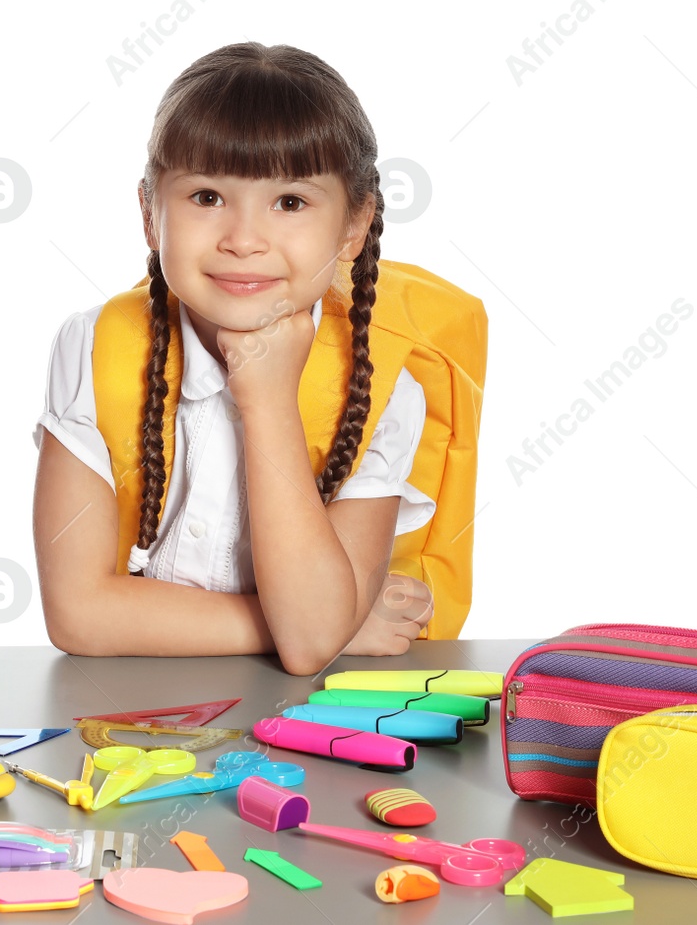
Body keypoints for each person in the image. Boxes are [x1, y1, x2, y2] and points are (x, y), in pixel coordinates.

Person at [33, 42, 481, 676]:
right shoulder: (95, 348)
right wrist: (335, 619)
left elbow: (307, 651)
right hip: (121, 711)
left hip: (312, 730)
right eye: (208, 196)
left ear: (354, 226)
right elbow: (78, 614)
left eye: (290, 202)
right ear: (149, 213)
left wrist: (268, 398)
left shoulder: (381, 385)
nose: (243, 240)